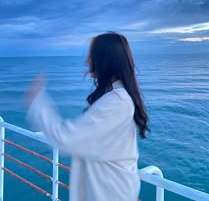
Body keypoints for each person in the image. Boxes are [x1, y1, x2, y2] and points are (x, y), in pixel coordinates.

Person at [25, 32, 150, 201]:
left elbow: (67, 138)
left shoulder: (117, 102)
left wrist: (37, 102)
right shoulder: (115, 97)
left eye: (91, 56)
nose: (87, 61)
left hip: (110, 193)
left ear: (104, 60)